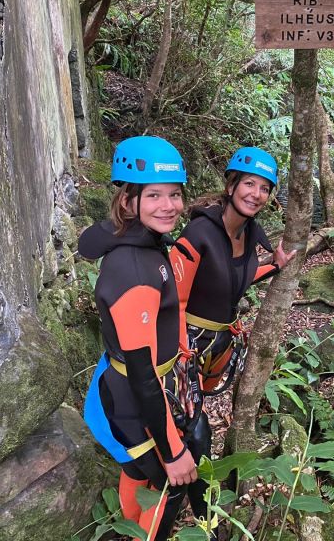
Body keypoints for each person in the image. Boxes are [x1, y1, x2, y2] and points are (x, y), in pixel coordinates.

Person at [79, 136, 204, 541]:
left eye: (174, 194)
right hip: (132, 399)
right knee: (167, 485)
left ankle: (126, 530)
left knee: (137, 474)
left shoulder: (141, 240)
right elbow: (142, 374)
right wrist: (173, 452)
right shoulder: (134, 269)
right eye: (154, 195)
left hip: (131, 387)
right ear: (129, 200)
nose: (169, 206)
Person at [171, 147, 297, 396]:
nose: (256, 194)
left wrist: (275, 266)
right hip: (189, 344)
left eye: (264, 188)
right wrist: (181, 352)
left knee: (198, 407)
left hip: (220, 343)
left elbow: (235, 279)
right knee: (184, 415)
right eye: (249, 183)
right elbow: (173, 300)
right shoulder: (199, 234)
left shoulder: (250, 233)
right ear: (231, 187)